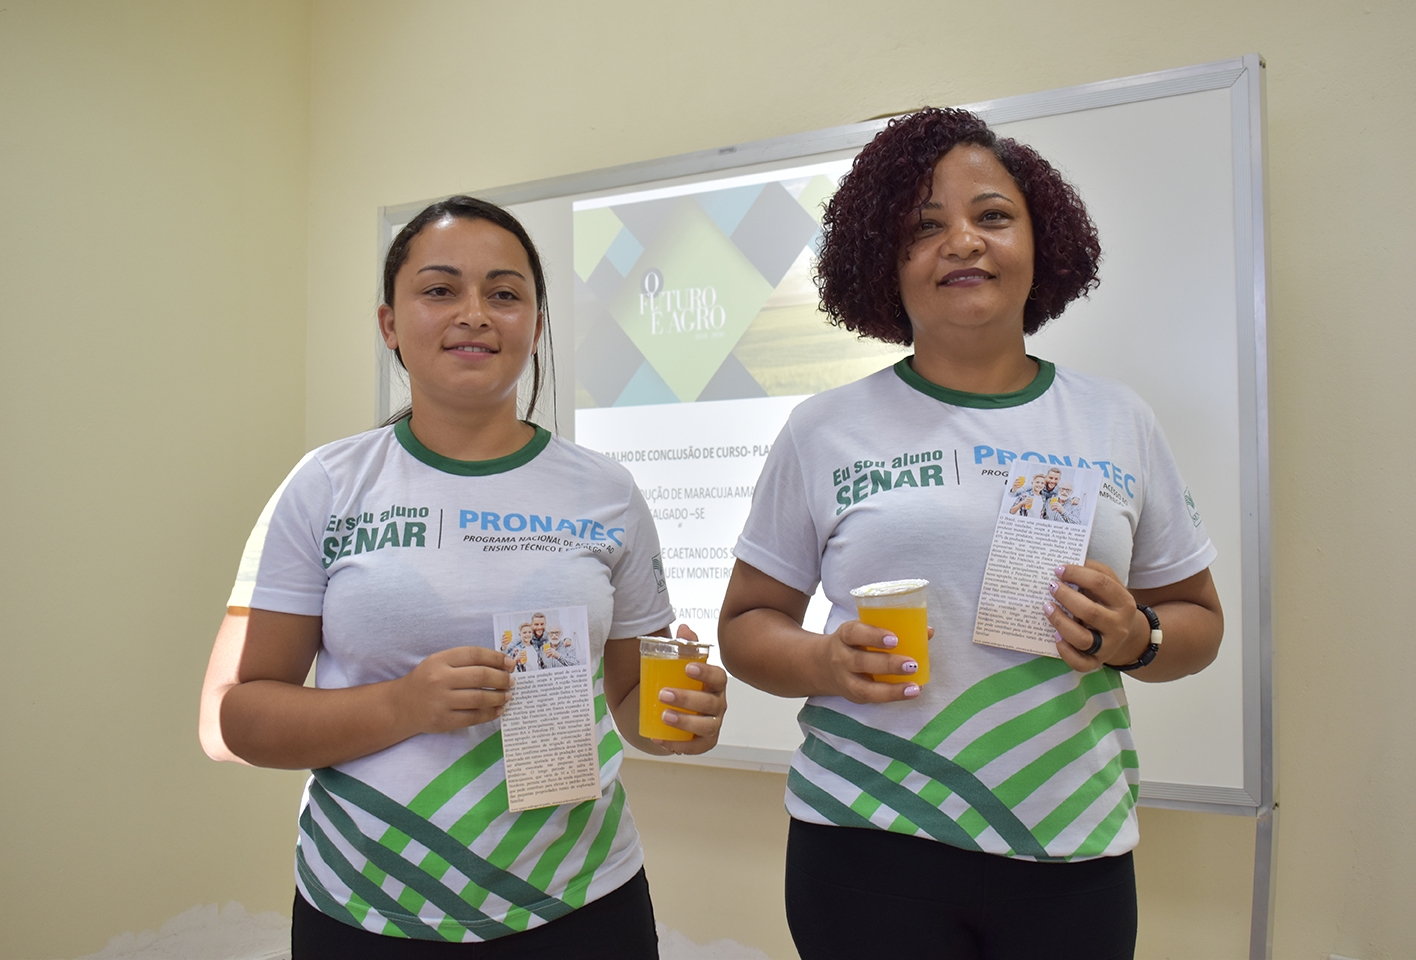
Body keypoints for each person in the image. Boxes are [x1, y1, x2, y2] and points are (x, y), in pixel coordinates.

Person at [717, 108, 1222, 960]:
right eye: (923, 226)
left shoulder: (1117, 420)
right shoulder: (824, 429)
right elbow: (745, 624)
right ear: (883, 263)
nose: (961, 241)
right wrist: (824, 661)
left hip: (1071, 841)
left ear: (1042, 243)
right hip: (867, 839)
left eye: (992, 215)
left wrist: (1137, 637)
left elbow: (1198, 621)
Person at [198, 196, 728, 959]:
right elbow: (233, 719)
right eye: (441, 289)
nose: (474, 313)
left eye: (504, 293)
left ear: (536, 328)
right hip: (365, 904)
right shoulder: (326, 486)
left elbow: (633, 703)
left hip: (579, 900)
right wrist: (402, 705)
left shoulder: (607, 492)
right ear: (390, 324)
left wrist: (683, 718)